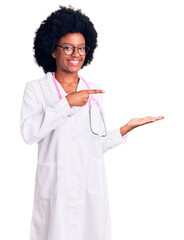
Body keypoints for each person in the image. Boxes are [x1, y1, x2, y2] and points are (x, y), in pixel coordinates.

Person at [20, 5, 164, 240]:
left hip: (90, 189)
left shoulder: (92, 91)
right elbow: (29, 133)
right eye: (68, 47)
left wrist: (125, 128)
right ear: (53, 51)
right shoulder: (36, 90)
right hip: (56, 190)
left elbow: (93, 144)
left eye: (81, 48)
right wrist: (66, 103)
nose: (76, 54)